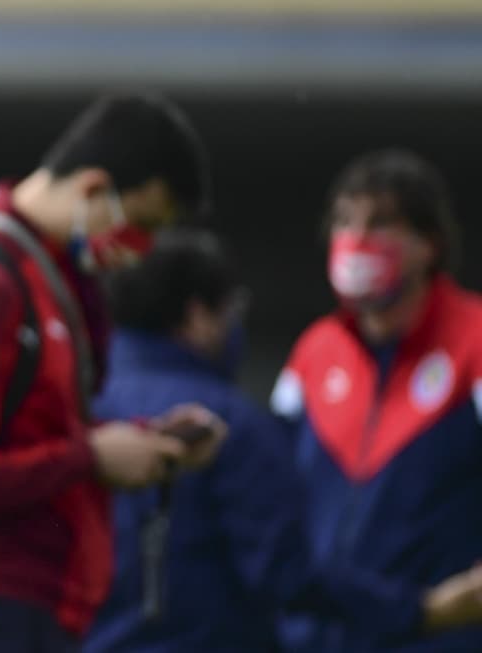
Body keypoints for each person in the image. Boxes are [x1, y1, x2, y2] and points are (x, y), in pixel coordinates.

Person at [0, 93, 227, 653]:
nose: (144, 250)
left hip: (41, 608)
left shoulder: (45, 269)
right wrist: (92, 458)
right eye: (143, 225)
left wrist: (144, 441)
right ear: (94, 188)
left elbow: (34, 435)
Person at [87, 229, 482, 653]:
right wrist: (421, 610)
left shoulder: (75, 413)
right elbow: (288, 575)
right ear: (197, 316)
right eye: (229, 309)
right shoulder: (230, 425)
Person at [270, 150, 482, 653]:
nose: (358, 239)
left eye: (381, 222)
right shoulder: (314, 352)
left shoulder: (475, 339)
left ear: (428, 244)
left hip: (442, 635)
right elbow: (272, 491)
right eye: (345, 221)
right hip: (314, 636)